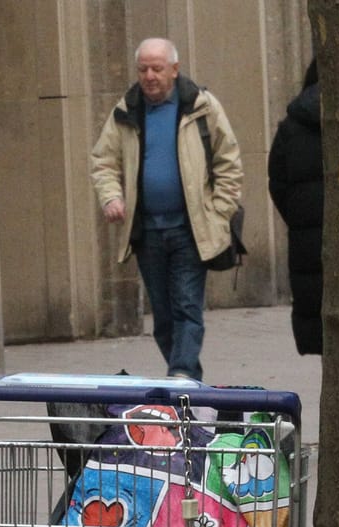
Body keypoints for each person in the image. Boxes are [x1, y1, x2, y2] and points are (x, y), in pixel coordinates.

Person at [90, 37, 242, 381]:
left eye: (157, 68)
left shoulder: (201, 106)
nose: (149, 75)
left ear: (174, 69)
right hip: (147, 231)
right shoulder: (127, 111)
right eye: (143, 69)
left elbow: (229, 160)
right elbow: (103, 160)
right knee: (163, 316)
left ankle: (182, 374)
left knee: (187, 305)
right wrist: (111, 197)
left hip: (192, 229)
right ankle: (187, 379)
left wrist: (219, 213)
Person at [268, 60, 322, 356]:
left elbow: (278, 183)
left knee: (326, 338)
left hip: (308, 244)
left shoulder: (291, 127)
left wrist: (302, 219)